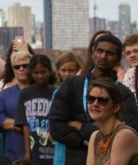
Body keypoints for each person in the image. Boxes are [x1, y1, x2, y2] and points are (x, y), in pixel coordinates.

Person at [50, 34, 138, 165]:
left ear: (117, 59)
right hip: (74, 158)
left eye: (109, 53)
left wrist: (81, 127)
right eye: (100, 51)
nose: (103, 56)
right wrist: (87, 142)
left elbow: (130, 131)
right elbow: (56, 127)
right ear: (92, 53)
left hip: (111, 157)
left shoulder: (123, 93)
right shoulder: (71, 85)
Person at [83, 79, 136, 165]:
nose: (95, 104)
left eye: (102, 100)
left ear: (116, 107)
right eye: (91, 99)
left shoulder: (124, 135)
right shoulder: (95, 136)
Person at [0, 50, 33, 164]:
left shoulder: (41, 91)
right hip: (13, 148)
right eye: (17, 67)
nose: (21, 69)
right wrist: (16, 123)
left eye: (25, 65)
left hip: (39, 146)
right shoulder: (5, 94)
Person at [18, 56, 56, 165]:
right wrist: (27, 152)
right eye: (36, 72)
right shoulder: (25, 94)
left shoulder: (57, 93)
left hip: (53, 148)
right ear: (31, 73)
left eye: (43, 72)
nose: (40, 76)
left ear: (50, 71)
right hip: (34, 150)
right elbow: (25, 125)